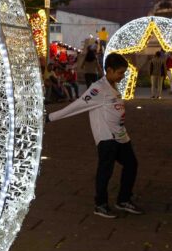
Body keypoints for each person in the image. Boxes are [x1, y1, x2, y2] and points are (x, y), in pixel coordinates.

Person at [47, 53, 142, 218]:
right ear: (109, 70)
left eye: (123, 73)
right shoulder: (98, 88)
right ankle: (100, 204)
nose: (122, 76)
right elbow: (76, 106)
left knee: (131, 164)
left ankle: (123, 200)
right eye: (120, 73)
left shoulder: (112, 84)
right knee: (106, 171)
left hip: (121, 136)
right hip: (107, 138)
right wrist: (50, 117)